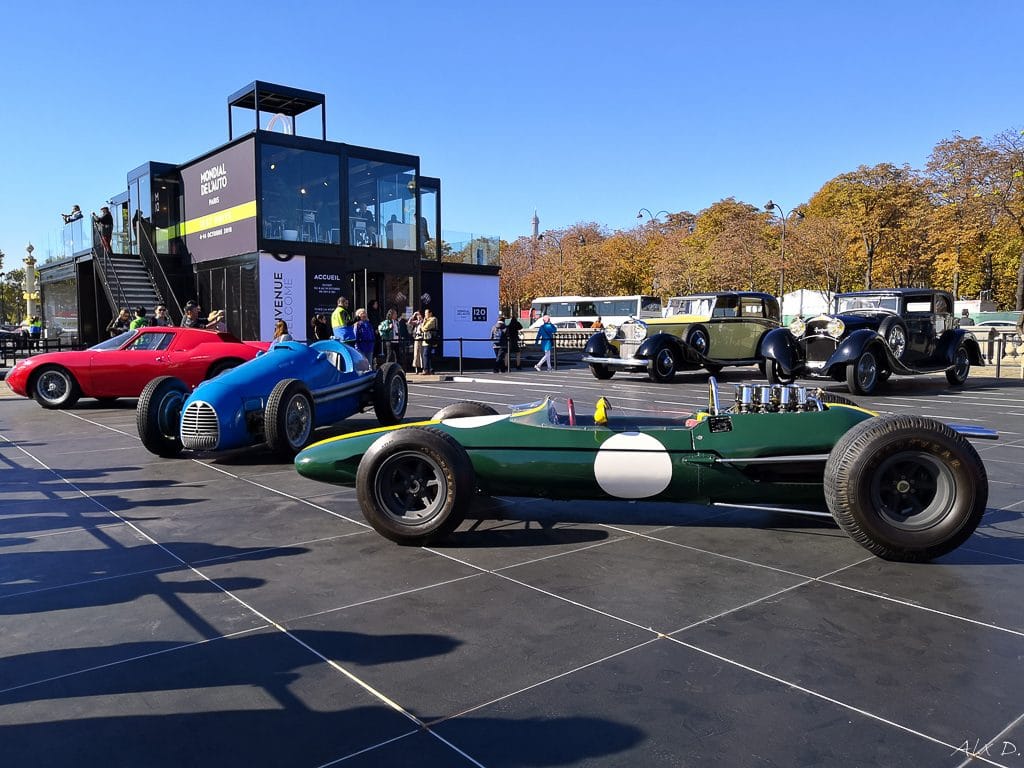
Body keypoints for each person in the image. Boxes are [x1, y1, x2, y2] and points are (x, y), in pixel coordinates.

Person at [419, 308, 438, 375]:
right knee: (427, 355)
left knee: (426, 355)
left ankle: (426, 369)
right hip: (426, 339)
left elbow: (425, 328)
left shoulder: (433, 319)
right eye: (425, 314)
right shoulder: (426, 320)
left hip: (430, 340)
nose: (425, 315)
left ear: (430, 313)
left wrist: (423, 323)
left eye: (426, 313)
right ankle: (430, 369)